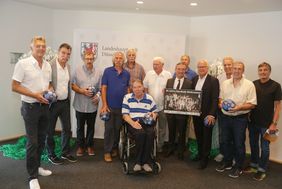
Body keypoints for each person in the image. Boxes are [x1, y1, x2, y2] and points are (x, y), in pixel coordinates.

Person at [12, 36, 52, 189]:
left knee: (41, 140)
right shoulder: (23, 64)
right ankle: (32, 177)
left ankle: (38, 167)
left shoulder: (47, 65)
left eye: (43, 46)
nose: (41, 48)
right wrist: (35, 95)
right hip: (30, 108)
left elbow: (47, 85)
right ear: (32, 47)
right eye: (38, 46)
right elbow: (14, 86)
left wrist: (50, 92)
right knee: (32, 143)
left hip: (44, 107)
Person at [216, 61, 257, 178]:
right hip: (225, 117)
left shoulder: (249, 85)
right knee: (225, 141)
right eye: (235, 68)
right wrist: (221, 104)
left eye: (239, 69)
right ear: (232, 70)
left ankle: (239, 166)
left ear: (243, 71)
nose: (236, 71)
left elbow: (252, 104)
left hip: (240, 119)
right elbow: (220, 99)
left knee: (239, 143)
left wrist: (239, 107)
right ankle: (228, 162)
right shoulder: (225, 83)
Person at [244, 62, 281, 181]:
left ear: (269, 71)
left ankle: (262, 169)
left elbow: (278, 107)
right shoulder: (253, 84)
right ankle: (254, 165)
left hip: (267, 124)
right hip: (253, 122)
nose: (263, 72)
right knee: (253, 144)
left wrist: (274, 123)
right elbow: (249, 102)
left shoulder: (276, 86)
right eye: (260, 70)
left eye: (265, 70)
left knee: (265, 148)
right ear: (258, 72)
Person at [46, 43, 77, 165]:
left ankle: (65, 153)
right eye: (63, 53)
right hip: (52, 103)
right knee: (50, 130)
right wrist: (49, 88)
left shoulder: (68, 67)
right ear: (58, 52)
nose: (65, 56)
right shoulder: (49, 65)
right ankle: (51, 154)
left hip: (65, 103)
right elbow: (45, 81)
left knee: (67, 129)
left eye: (68, 54)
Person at [122, 80, 158, 172]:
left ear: (143, 87)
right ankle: (138, 162)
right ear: (132, 89)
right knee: (141, 134)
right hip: (133, 122)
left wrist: (153, 115)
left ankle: (145, 162)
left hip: (147, 121)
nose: (137, 89)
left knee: (150, 134)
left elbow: (155, 112)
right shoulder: (127, 97)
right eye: (135, 87)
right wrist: (133, 123)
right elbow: (125, 115)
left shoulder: (149, 98)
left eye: (139, 87)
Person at [71, 50, 102, 157]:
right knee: (79, 127)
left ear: (94, 59)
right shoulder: (77, 70)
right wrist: (81, 91)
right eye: (87, 58)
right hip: (79, 104)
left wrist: (98, 96)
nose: (89, 60)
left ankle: (89, 145)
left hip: (92, 105)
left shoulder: (98, 72)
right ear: (84, 59)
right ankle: (80, 146)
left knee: (91, 126)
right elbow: (72, 85)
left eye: (91, 58)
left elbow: (101, 88)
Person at [101, 51, 130, 162]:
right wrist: (104, 104)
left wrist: (127, 106)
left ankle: (114, 148)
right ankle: (107, 151)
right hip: (109, 106)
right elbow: (103, 88)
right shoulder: (107, 71)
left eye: (120, 58)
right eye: (116, 58)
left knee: (117, 128)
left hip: (121, 107)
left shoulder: (126, 74)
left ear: (123, 60)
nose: (118, 60)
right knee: (109, 129)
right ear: (113, 60)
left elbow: (127, 89)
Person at [192, 60, 219, 169]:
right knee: (198, 135)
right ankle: (200, 153)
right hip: (196, 114)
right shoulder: (194, 80)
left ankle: (205, 158)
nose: (201, 69)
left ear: (207, 68)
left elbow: (215, 99)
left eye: (203, 67)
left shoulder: (213, 80)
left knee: (207, 136)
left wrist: (212, 114)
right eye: (199, 67)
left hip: (208, 115)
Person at [143, 57, 172, 152]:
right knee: (150, 127)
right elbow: (145, 88)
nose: (155, 66)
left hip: (163, 106)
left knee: (162, 128)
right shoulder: (149, 74)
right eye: (154, 64)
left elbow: (171, 90)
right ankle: (150, 145)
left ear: (162, 65)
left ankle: (160, 146)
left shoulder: (168, 75)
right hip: (150, 108)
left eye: (157, 64)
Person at [165, 63, 193, 160]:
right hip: (170, 112)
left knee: (182, 132)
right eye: (179, 69)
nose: (180, 71)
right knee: (171, 131)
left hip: (182, 113)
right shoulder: (169, 81)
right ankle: (170, 148)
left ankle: (180, 151)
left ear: (185, 71)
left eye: (183, 69)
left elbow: (190, 98)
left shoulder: (189, 83)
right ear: (175, 69)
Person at [214, 57, 234, 162]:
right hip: (222, 111)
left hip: (236, 112)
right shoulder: (220, 77)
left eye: (229, 64)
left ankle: (234, 156)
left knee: (234, 135)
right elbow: (218, 94)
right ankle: (223, 153)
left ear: (233, 65)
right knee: (222, 133)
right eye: (225, 65)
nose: (227, 67)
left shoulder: (240, 76)